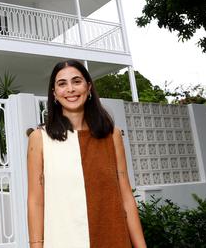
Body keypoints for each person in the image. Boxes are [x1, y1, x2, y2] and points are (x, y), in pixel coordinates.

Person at [27, 60, 146, 247]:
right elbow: (35, 201)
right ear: (54, 93)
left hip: (112, 238)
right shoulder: (39, 138)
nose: (70, 89)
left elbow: (126, 196)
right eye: (62, 84)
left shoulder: (112, 135)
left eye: (76, 81)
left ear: (88, 87)